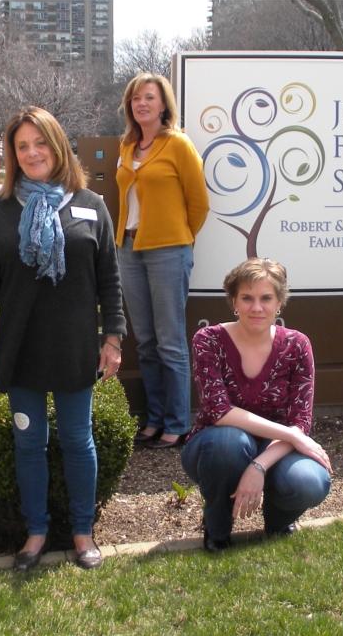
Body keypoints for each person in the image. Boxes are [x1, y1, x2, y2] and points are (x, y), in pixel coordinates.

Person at [0, 106, 125, 571]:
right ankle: (35, 531)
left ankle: (82, 532)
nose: (32, 152)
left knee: (78, 440)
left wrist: (113, 338)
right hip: (20, 348)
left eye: (40, 143)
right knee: (28, 442)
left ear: (58, 146)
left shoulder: (90, 204)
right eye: (22, 146)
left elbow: (109, 280)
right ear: (12, 154)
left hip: (74, 346)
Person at [181, 258, 332, 552]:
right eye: (247, 298)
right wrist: (293, 435)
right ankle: (217, 528)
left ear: (279, 303)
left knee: (309, 482)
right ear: (234, 301)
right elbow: (219, 411)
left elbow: (299, 421)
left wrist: (259, 466)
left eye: (266, 298)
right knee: (229, 443)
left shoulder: (297, 345)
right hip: (216, 446)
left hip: (276, 448)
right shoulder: (208, 340)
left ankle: (278, 522)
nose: (256, 307)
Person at [115, 72, 210, 449]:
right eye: (136, 98)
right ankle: (154, 419)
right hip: (128, 249)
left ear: (163, 104)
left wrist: (179, 237)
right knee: (145, 341)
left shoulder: (178, 144)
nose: (141, 103)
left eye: (149, 97)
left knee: (170, 342)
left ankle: (178, 422)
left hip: (169, 250)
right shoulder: (127, 145)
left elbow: (199, 203)